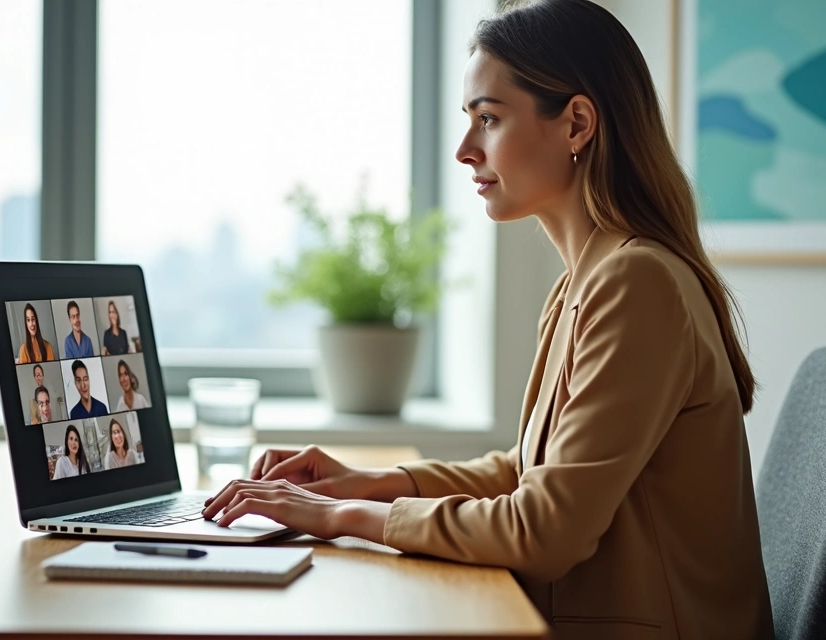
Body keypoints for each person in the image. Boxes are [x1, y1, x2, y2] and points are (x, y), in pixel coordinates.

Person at [200, 1, 774, 638]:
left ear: (577, 123)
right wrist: (363, 484)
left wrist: (340, 516)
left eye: (489, 119)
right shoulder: (586, 281)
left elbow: (544, 530)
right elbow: (528, 472)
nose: (464, 150)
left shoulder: (635, 283)